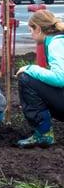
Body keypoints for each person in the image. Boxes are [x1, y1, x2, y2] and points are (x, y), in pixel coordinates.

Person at [16, 10, 64, 148]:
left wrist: (30, 68)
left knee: (26, 78)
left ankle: (43, 134)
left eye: (30, 30)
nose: (31, 34)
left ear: (38, 28)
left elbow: (61, 78)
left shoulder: (56, 44)